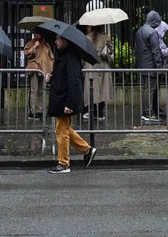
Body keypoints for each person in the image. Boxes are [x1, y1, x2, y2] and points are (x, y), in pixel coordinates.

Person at [47, 33, 94, 174]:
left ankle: (64, 163)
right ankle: (87, 150)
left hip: (64, 99)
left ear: (65, 40)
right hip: (60, 98)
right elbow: (62, 76)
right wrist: (51, 77)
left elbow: (74, 81)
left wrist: (70, 104)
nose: (55, 41)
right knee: (65, 129)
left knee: (62, 131)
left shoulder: (71, 57)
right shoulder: (63, 54)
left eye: (58, 39)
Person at [133, 10, 168, 123]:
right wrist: (159, 67)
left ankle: (146, 113)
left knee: (146, 89)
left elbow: (136, 49)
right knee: (150, 90)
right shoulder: (152, 33)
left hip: (143, 65)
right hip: (151, 66)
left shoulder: (140, 31)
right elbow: (156, 51)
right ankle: (148, 113)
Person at [83, 26, 113, 120]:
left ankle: (91, 111)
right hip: (101, 66)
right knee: (101, 90)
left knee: (91, 89)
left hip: (90, 66)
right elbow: (110, 52)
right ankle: (100, 113)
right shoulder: (105, 38)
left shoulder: (87, 38)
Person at [23, 29, 53, 120]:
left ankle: (40, 110)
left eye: (39, 33)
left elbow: (50, 57)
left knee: (41, 91)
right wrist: (34, 47)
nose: (37, 35)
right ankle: (33, 111)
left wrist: (50, 69)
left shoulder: (45, 44)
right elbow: (27, 53)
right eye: (36, 33)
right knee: (34, 91)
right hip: (34, 69)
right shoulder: (30, 43)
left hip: (43, 70)